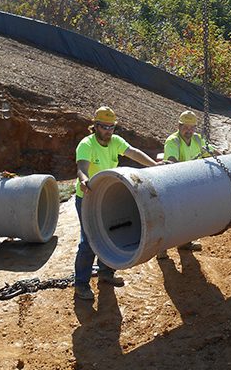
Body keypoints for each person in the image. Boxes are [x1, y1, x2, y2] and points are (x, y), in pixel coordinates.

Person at [74, 106, 158, 301]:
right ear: (95, 126)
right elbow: (81, 168)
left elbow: (134, 152)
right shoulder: (86, 144)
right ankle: (81, 284)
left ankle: (106, 273)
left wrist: (155, 166)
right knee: (89, 241)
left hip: (107, 196)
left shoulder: (115, 142)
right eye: (104, 127)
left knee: (111, 234)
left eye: (111, 127)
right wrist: (84, 179)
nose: (108, 131)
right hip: (87, 197)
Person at [157, 110, 216, 258]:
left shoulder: (197, 139)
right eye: (185, 127)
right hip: (172, 183)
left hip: (191, 183)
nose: (189, 131)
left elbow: (212, 152)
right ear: (179, 126)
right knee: (171, 215)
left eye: (192, 127)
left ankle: (185, 242)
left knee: (190, 215)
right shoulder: (173, 141)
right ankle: (161, 248)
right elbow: (172, 163)